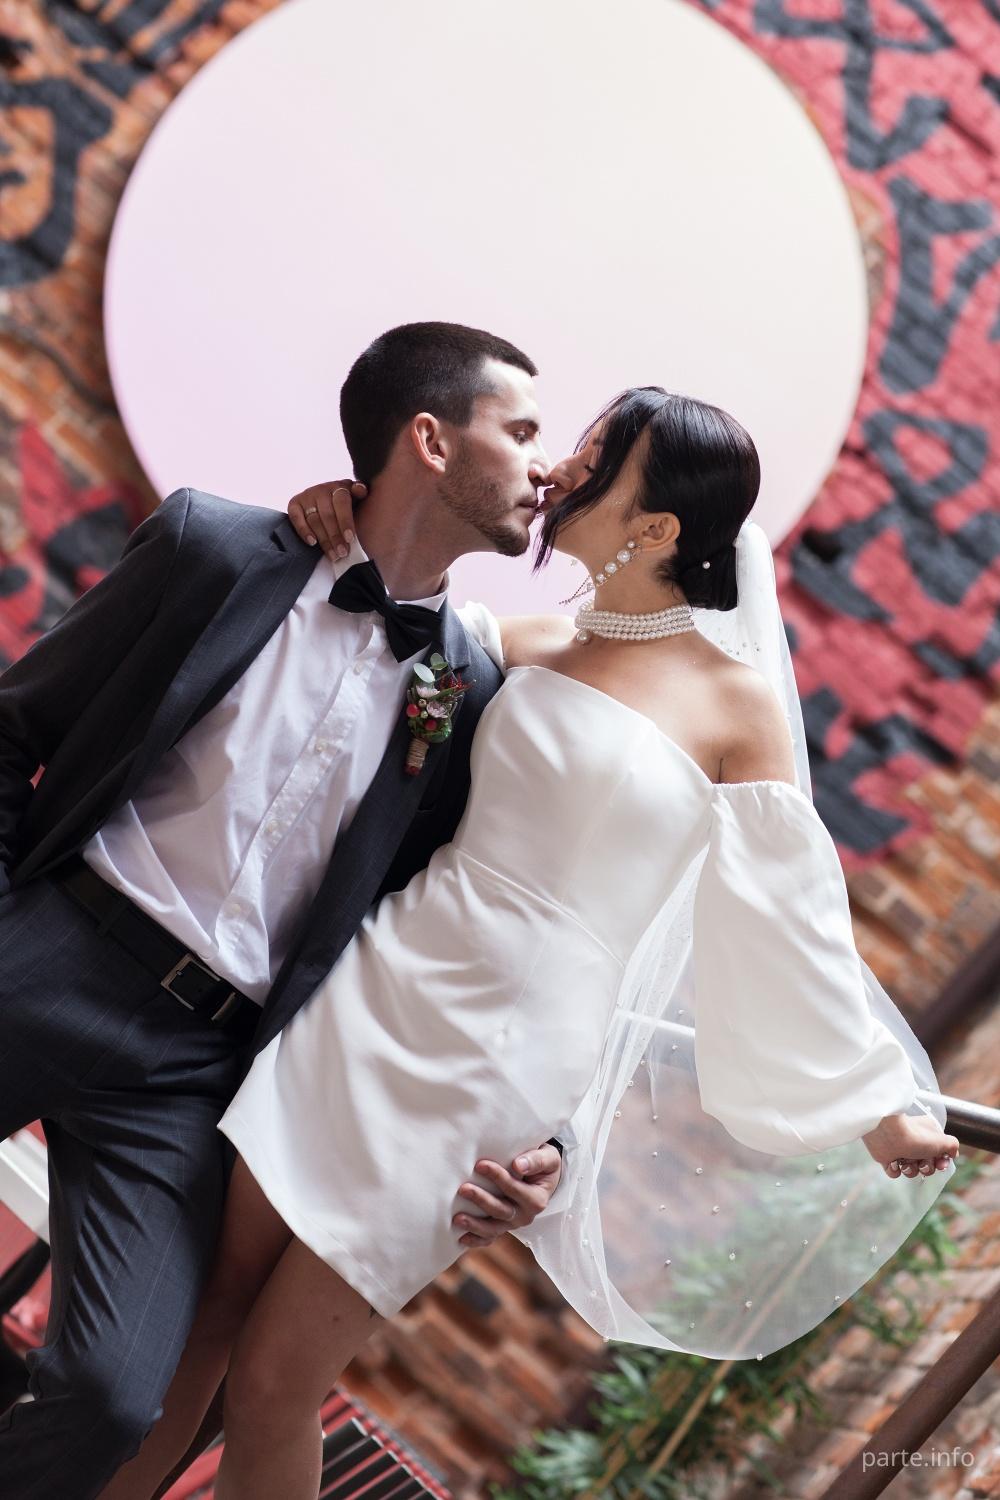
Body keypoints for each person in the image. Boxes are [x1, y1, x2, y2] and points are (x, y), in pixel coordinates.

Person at [100, 385, 958, 1500]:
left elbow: (790, 918)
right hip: (382, 984)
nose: (558, 469)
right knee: (204, 1318)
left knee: (274, 1384)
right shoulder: (529, 641)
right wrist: (336, 516)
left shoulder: (734, 706)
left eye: (595, 460)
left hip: (500, 1060)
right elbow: (376, 632)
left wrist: (876, 1107)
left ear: (655, 526)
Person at [0, 322, 568, 1500]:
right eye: (519, 432)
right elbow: (19, 723)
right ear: (430, 440)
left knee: (116, 1398)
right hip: (52, 952)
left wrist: (546, 1137)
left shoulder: (468, 690)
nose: (543, 464)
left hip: (193, 1071)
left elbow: (479, 924)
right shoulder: (215, 549)